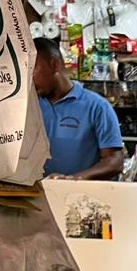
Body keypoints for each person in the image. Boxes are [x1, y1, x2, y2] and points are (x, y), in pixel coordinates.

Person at [32, 38, 125, 180]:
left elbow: (114, 162)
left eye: (32, 68)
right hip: (36, 197)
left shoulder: (97, 107)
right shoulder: (29, 107)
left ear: (54, 65)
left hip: (82, 197)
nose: (28, 77)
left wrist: (74, 179)